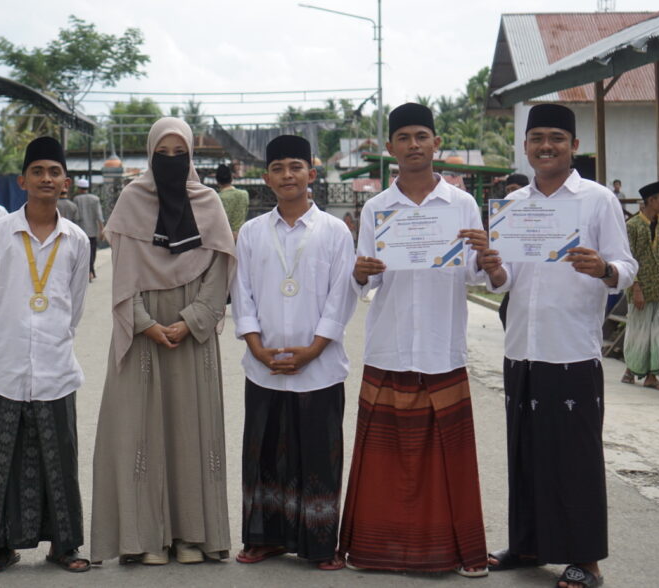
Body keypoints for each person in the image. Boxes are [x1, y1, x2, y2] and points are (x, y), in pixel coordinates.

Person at [475, 104, 637, 588]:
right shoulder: (513, 203)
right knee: (525, 451)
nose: (546, 146)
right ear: (526, 146)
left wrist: (603, 269)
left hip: (572, 350)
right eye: (537, 138)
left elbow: (626, 266)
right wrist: (492, 267)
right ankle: (527, 544)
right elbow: (506, 280)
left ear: (574, 146)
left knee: (575, 458)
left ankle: (587, 560)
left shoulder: (597, 200)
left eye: (557, 138)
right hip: (521, 347)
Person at [338, 103, 489, 578]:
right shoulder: (376, 208)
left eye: (422, 135)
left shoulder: (462, 205)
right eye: (403, 137)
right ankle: (374, 551)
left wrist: (487, 258)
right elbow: (365, 282)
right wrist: (359, 272)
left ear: (436, 143)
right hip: (391, 344)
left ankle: (458, 552)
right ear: (390, 148)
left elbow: (476, 275)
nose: (413, 145)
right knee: (385, 460)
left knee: (449, 460)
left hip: (443, 346)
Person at [90, 117, 235, 566]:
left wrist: (192, 320)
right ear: (150, 155)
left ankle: (193, 536)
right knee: (141, 431)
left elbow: (220, 270)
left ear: (191, 157)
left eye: (180, 154)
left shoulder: (208, 203)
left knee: (190, 431)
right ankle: (146, 539)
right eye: (162, 154)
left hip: (192, 335)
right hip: (144, 334)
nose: (171, 161)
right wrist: (146, 324)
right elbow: (123, 276)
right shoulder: (132, 201)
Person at [231, 135, 357, 571]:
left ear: (311, 174)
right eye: (278, 168)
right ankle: (263, 539)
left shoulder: (335, 231)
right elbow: (241, 293)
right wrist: (256, 347)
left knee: (318, 455)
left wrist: (314, 349)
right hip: (263, 366)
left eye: (295, 167)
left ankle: (319, 543)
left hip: (319, 369)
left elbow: (341, 296)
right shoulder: (251, 233)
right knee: (264, 454)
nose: (287, 175)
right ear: (266, 179)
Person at [0, 137, 91, 575]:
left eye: (54, 172)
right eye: (37, 171)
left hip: (56, 368)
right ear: (22, 181)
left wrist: (52, 339)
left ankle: (65, 546)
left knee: (59, 460)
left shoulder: (76, 239)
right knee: (2, 460)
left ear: (65, 182)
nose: (46, 178)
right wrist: (6, 339)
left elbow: (74, 306)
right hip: (5, 368)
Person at [621, 181, 659, 390]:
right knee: (638, 329)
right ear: (651, 200)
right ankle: (630, 370)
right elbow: (628, 258)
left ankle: (652, 376)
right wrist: (636, 288)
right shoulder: (632, 226)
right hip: (640, 287)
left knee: (657, 333)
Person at [497, 173, 530, 329]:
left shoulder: (537, 211)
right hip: (513, 279)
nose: (511, 194)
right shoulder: (506, 213)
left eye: (514, 189)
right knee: (506, 311)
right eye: (508, 190)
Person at [72, 178, 104, 281]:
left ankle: (89, 272)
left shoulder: (76, 199)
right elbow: (99, 216)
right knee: (92, 251)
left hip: (81, 230)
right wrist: (102, 230)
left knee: (84, 253)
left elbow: (76, 216)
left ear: (79, 188)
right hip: (93, 231)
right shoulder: (95, 199)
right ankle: (91, 271)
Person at [216, 163, 249, 240]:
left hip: (224, 239)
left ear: (217, 181)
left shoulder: (217, 198)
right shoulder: (244, 194)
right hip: (242, 237)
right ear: (231, 178)